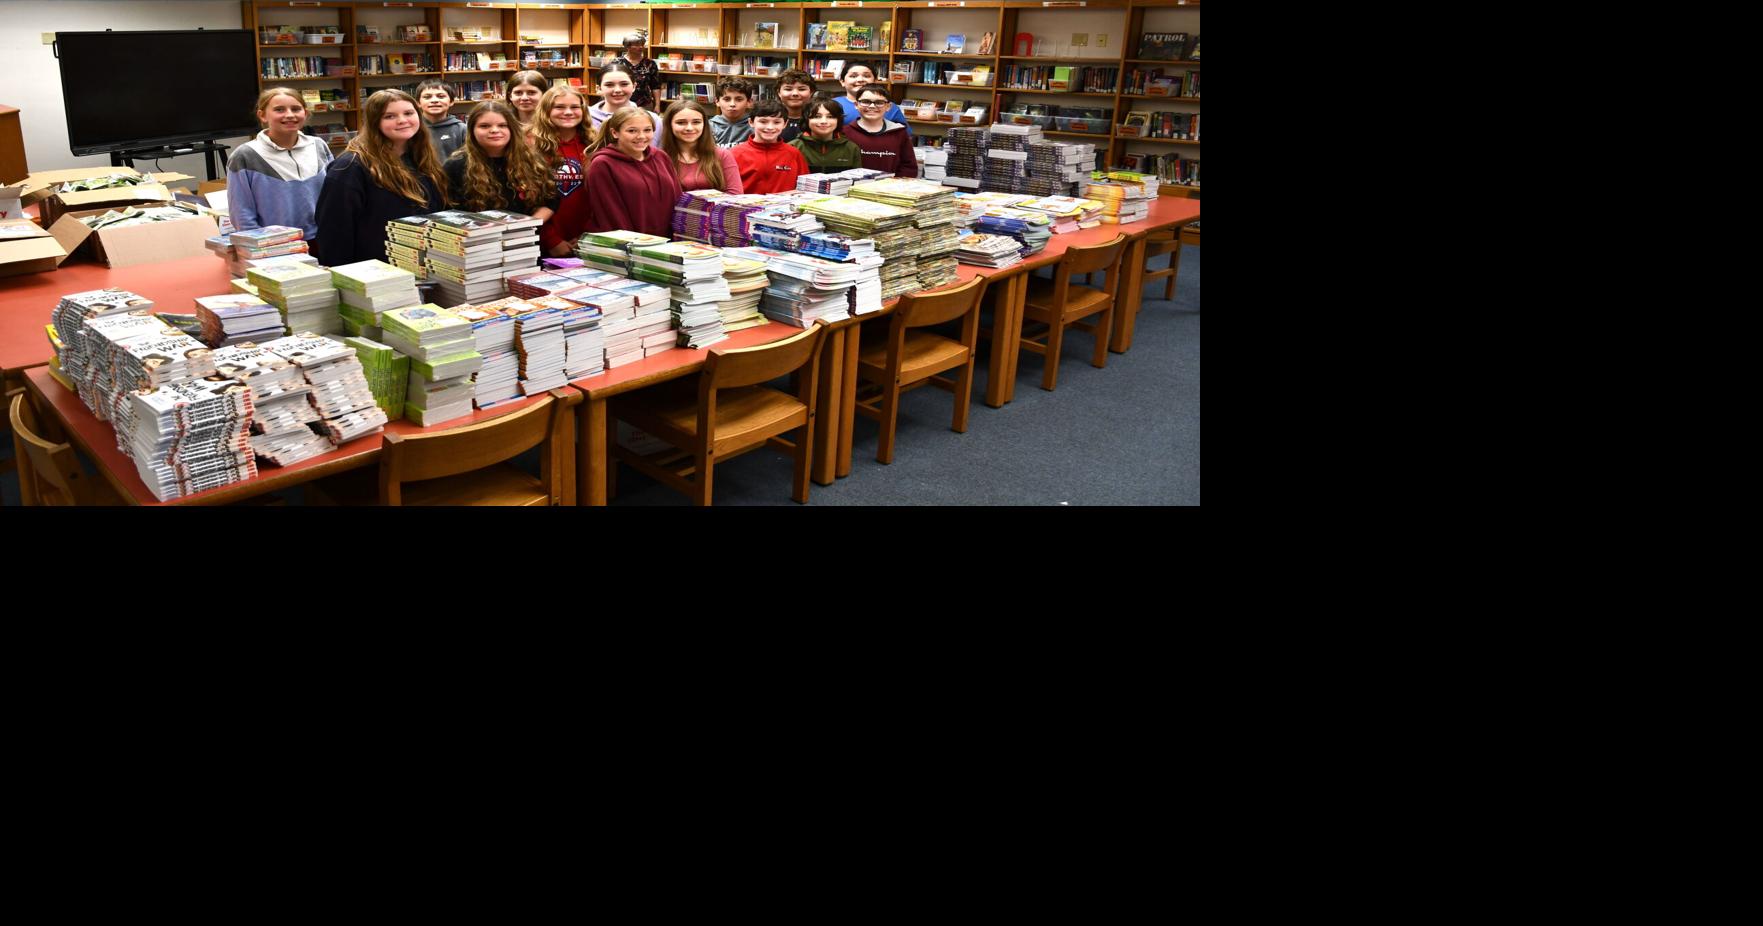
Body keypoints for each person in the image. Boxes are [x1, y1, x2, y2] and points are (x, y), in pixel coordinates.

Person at [312, 89, 445, 266]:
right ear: (375, 122)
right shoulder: (351, 166)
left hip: (422, 264)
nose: (402, 121)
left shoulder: (422, 157)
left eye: (408, 113)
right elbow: (334, 231)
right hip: (374, 272)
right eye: (389, 116)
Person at [225, 87, 333, 240]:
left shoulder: (319, 146)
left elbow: (334, 196)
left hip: (323, 239)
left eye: (296, 109)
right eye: (279, 110)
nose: (289, 115)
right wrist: (261, 246)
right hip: (276, 247)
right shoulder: (245, 156)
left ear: (306, 113)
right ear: (262, 116)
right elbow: (241, 213)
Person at [444, 100, 558, 218]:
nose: (494, 130)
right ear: (472, 130)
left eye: (502, 125)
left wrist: (528, 225)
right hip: (478, 235)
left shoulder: (532, 160)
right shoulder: (455, 165)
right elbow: (450, 211)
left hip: (527, 232)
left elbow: (550, 201)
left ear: (512, 129)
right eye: (484, 126)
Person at [582, 106, 681, 240]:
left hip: (669, 245)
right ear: (615, 133)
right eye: (632, 131)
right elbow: (611, 215)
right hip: (630, 248)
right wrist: (635, 248)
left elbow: (677, 199)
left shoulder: (661, 157)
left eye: (647, 130)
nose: (641, 136)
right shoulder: (603, 164)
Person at [530, 85, 595, 257]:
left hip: (587, 238)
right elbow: (528, 202)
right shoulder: (531, 145)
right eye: (559, 107)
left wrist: (587, 236)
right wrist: (551, 240)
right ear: (546, 110)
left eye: (574, 107)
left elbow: (603, 196)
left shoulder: (594, 145)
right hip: (543, 240)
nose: (568, 112)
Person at [660, 100, 742, 193]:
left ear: (704, 124)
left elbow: (735, 195)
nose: (689, 128)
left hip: (719, 207)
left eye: (696, 122)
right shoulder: (659, 158)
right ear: (669, 125)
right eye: (681, 122)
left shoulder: (722, 155)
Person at [731, 99, 809, 194]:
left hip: (784, 208)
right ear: (751, 122)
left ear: (784, 124)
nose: (770, 127)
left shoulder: (794, 154)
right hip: (746, 208)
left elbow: (805, 190)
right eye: (763, 122)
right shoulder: (734, 154)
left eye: (776, 122)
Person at [842, 87, 917, 177]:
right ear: (856, 104)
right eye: (866, 101)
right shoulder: (844, 133)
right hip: (851, 188)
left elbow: (908, 166)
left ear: (888, 107)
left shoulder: (899, 132)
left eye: (879, 102)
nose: (872, 106)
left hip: (889, 188)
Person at [587, 62, 662, 146]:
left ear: (634, 86)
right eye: (609, 85)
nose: (617, 90)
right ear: (599, 88)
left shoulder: (654, 120)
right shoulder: (586, 118)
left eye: (624, 84)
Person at [833, 62, 910, 135]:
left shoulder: (889, 106)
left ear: (875, 81)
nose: (860, 80)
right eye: (853, 76)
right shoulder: (833, 104)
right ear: (842, 81)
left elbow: (905, 135)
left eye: (866, 76)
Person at [789, 95, 862, 172]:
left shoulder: (851, 148)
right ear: (807, 120)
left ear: (838, 120)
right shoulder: (793, 147)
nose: (824, 121)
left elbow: (857, 181)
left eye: (830, 117)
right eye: (817, 116)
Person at [415, 78, 466, 160]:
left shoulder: (462, 129)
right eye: (427, 97)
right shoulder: (412, 128)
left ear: (451, 101)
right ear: (418, 103)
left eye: (441, 96)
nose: (434, 100)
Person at [613, 34, 662, 111]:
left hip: (645, 105)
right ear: (628, 46)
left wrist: (657, 105)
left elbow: (655, 86)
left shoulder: (650, 63)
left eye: (642, 44)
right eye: (637, 44)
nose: (641, 47)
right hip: (621, 103)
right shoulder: (617, 63)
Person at [711, 76, 755, 147]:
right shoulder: (709, 127)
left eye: (739, 99)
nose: (732, 104)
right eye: (727, 99)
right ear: (717, 101)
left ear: (749, 102)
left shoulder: (755, 126)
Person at [774, 68, 816, 142]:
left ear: (811, 92)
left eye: (802, 89)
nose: (795, 94)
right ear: (779, 92)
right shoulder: (769, 119)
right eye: (788, 89)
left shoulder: (818, 120)